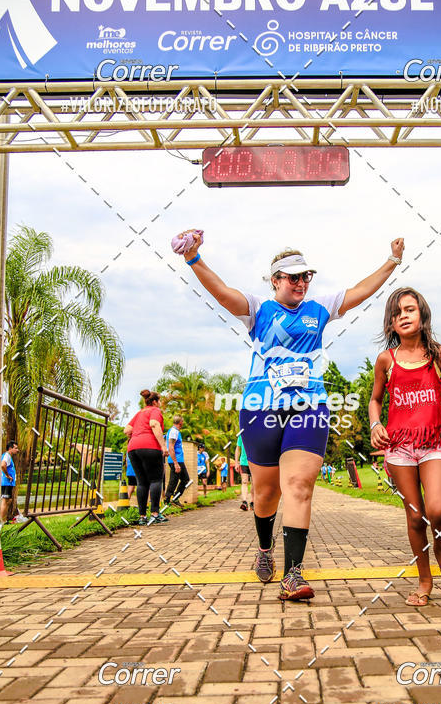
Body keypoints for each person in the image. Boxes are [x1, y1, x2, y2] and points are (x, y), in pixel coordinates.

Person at [177, 227, 405, 600]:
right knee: (266, 494)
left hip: (308, 407)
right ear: (276, 280)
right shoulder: (259, 309)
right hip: (260, 409)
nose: (302, 283)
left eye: (306, 276)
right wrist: (194, 258)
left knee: (299, 486)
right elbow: (223, 294)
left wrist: (392, 261)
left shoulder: (320, 309)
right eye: (294, 277)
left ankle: (293, 574)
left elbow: (361, 291)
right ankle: (265, 547)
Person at [369, 287, 441, 607]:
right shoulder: (386, 360)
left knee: (437, 509)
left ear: (422, 314)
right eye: (397, 313)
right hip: (398, 447)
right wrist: (375, 425)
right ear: (391, 323)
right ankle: (424, 580)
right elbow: (375, 400)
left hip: (432, 443)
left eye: (410, 309)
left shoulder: (439, 354)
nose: (404, 316)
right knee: (415, 517)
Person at [125, 389, 169, 525]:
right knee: (156, 479)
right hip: (150, 447)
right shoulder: (154, 410)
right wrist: (163, 446)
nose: (160, 403)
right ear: (155, 402)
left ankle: (142, 517)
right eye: (159, 401)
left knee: (142, 482)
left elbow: (127, 430)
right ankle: (155, 514)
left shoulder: (139, 413)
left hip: (133, 448)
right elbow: (154, 424)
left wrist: (137, 436)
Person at [164, 416, 190, 504]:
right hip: (176, 460)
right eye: (182, 421)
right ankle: (169, 499)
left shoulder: (174, 431)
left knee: (177, 480)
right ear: (180, 422)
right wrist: (175, 463)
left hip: (177, 460)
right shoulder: (174, 432)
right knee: (180, 479)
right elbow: (171, 447)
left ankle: (172, 498)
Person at [0, 441, 19, 522]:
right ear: (10, 448)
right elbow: (3, 465)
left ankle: (4, 519)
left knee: (8, 500)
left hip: (9, 482)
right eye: (16, 448)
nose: (17, 450)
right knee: (5, 500)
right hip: (6, 482)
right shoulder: (7, 456)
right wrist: (7, 475)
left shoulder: (8, 456)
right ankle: (1, 520)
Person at [235, 433, 254, 510]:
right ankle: (244, 502)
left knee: (254, 482)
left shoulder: (256, 433)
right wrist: (236, 462)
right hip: (243, 462)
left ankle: (253, 502)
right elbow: (238, 448)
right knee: (244, 481)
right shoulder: (241, 434)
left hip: (254, 461)